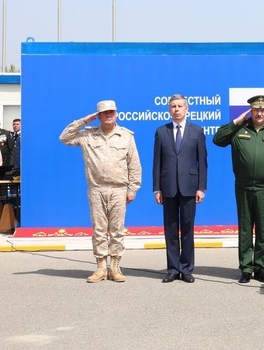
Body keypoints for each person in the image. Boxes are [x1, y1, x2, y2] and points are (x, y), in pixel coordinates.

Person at [60, 100, 142, 283]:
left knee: (117, 230)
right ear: (98, 116)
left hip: (118, 189)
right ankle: (100, 268)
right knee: (99, 229)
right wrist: (84, 121)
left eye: (111, 111)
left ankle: (115, 267)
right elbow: (64, 137)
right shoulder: (88, 135)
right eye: (104, 113)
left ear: (117, 113)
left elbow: (134, 164)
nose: (108, 115)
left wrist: (133, 188)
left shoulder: (126, 136)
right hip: (97, 189)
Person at [213, 95, 264, 284]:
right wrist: (235, 122)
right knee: (245, 229)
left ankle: (261, 268)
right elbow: (217, 139)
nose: (259, 113)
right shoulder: (239, 128)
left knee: (263, 230)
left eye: (263, 110)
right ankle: (246, 268)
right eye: (256, 110)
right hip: (244, 187)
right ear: (250, 110)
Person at [152, 94, 207, 283]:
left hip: (190, 187)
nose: (176, 109)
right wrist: (156, 188)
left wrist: (201, 187)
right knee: (171, 229)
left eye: (179, 106)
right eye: (173, 106)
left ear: (186, 109)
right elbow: (156, 162)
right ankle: (173, 269)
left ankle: (187, 269)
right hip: (167, 188)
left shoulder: (197, 131)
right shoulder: (161, 132)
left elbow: (202, 162)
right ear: (169, 109)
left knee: (188, 228)